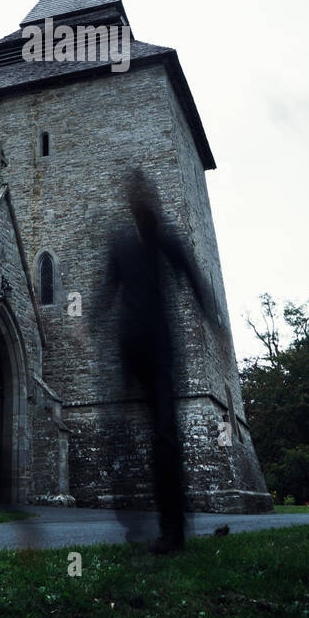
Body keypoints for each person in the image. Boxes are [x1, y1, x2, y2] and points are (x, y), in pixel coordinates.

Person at [100, 168, 218, 554]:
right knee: (119, 430)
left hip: (161, 349)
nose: (139, 202)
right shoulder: (121, 244)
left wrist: (215, 322)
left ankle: (174, 529)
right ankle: (133, 521)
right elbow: (107, 289)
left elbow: (192, 277)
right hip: (130, 347)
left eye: (143, 195)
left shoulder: (165, 238)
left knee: (165, 435)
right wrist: (90, 323)